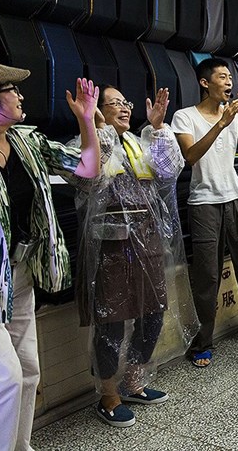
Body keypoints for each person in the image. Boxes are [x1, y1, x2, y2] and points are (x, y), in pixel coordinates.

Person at [0, 62, 100, 451]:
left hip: (19, 274)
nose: (21, 96)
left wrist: (88, 120)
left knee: (27, 372)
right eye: (12, 90)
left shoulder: (27, 141)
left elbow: (88, 169)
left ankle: (18, 446)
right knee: (1, 379)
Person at [71, 85, 199, 427]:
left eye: (126, 103)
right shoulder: (85, 142)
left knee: (152, 313)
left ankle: (134, 380)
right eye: (114, 104)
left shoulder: (139, 143)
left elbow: (170, 171)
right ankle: (108, 393)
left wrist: (157, 128)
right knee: (111, 321)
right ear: (97, 109)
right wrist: (99, 129)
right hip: (110, 245)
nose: (125, 109)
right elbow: (88, 179)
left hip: (147, 237)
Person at [171, 58, 238, 369]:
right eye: (222, 77)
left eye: (230, 77)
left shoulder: (234, 117)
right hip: (203, 203)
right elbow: (191, 157)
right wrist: (221, 123)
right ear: (205, 83)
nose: (229, 82)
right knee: (207, 275)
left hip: (237, 197)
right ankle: (202, 342)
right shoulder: (184, 117)